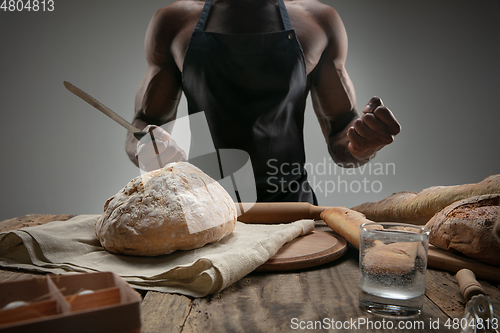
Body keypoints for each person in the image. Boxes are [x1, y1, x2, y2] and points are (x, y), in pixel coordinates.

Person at [125, 0, 401, 205]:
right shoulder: (173, 22)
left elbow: (342, 136)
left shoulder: (319, 22)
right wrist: (146, 146)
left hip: (292, 212)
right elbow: (144, 123)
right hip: (205, 209)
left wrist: (362, 144)